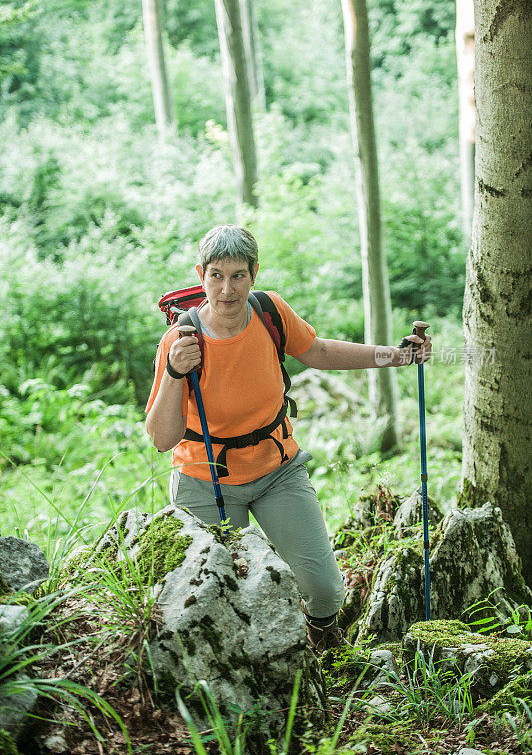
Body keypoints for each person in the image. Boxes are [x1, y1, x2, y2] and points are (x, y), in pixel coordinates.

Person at [145, 225, 432, 653]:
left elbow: (318, 351)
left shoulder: (269, 313)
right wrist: (173, 372)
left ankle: (322, 649)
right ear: (201, 275)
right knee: (226, 598)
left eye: (238, 275)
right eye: (217, 275)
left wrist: (398, 355)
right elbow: (161, 438)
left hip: (277, 470)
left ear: (254, 273)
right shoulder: (181, 340)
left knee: (325, 591)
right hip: (205, 479)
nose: (227, 289)